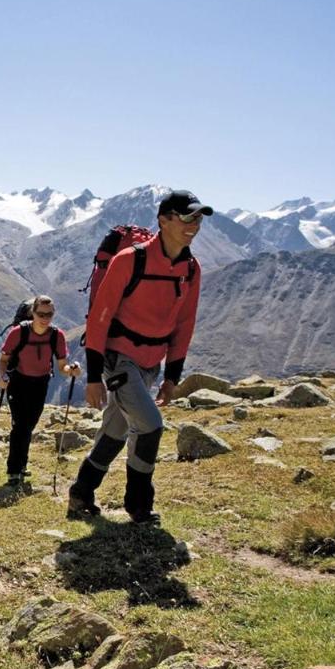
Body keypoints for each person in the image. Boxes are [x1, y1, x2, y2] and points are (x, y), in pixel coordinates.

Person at [67, 190, 210, 523]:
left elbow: (184, 323)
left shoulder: (190, 268)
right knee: (150, 426)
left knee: (116, 431)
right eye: (187, 217)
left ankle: (81, 492)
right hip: (120, 359)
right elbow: (100, 318)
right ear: (164, 220)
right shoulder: (131, 259)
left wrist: (172, 375)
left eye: (198, 218)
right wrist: (92, 377)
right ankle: (139, 504)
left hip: (151, 363)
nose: (194, 224)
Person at [0, 295, 80, 486]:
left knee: (29, 424)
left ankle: (21, 465)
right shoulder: (18, 333)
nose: (45, 318)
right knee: (20, 425)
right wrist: (3, 377)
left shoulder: (56, 335)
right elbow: (3, 361)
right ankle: (14, 470)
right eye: (41, 314)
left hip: (40, 383)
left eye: (49, 314)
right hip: (17, 381)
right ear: (33, 313)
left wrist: (72, 370)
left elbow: (62, 366)